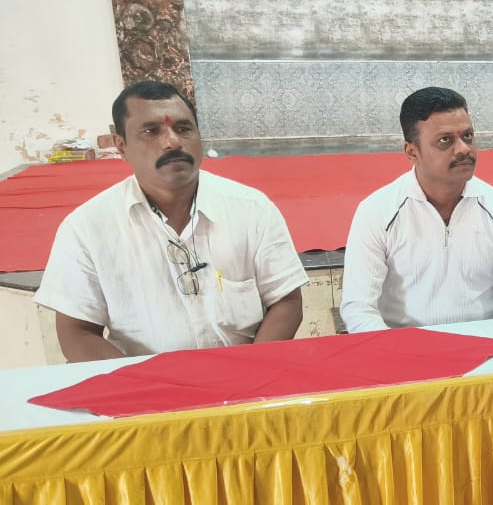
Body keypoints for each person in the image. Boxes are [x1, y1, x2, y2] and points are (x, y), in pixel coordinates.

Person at [35, 81, 307, 362]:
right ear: (121, 146)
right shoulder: (87, 228)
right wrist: (144, 384)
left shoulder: (251, 209)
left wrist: (250, 372)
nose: (172, 142)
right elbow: (76, 332)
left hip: (247, 376)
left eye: (183, 128)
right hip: (142, 383)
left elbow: (286, 301)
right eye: (151, 131)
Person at [341, 87, 493, 332]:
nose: (463, 149)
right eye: (445, 140)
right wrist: (395, 351)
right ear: (412, 152)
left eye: (467, 136)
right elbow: (358, 308)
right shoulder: (376, 212)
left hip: (485, 345)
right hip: (404, 347)